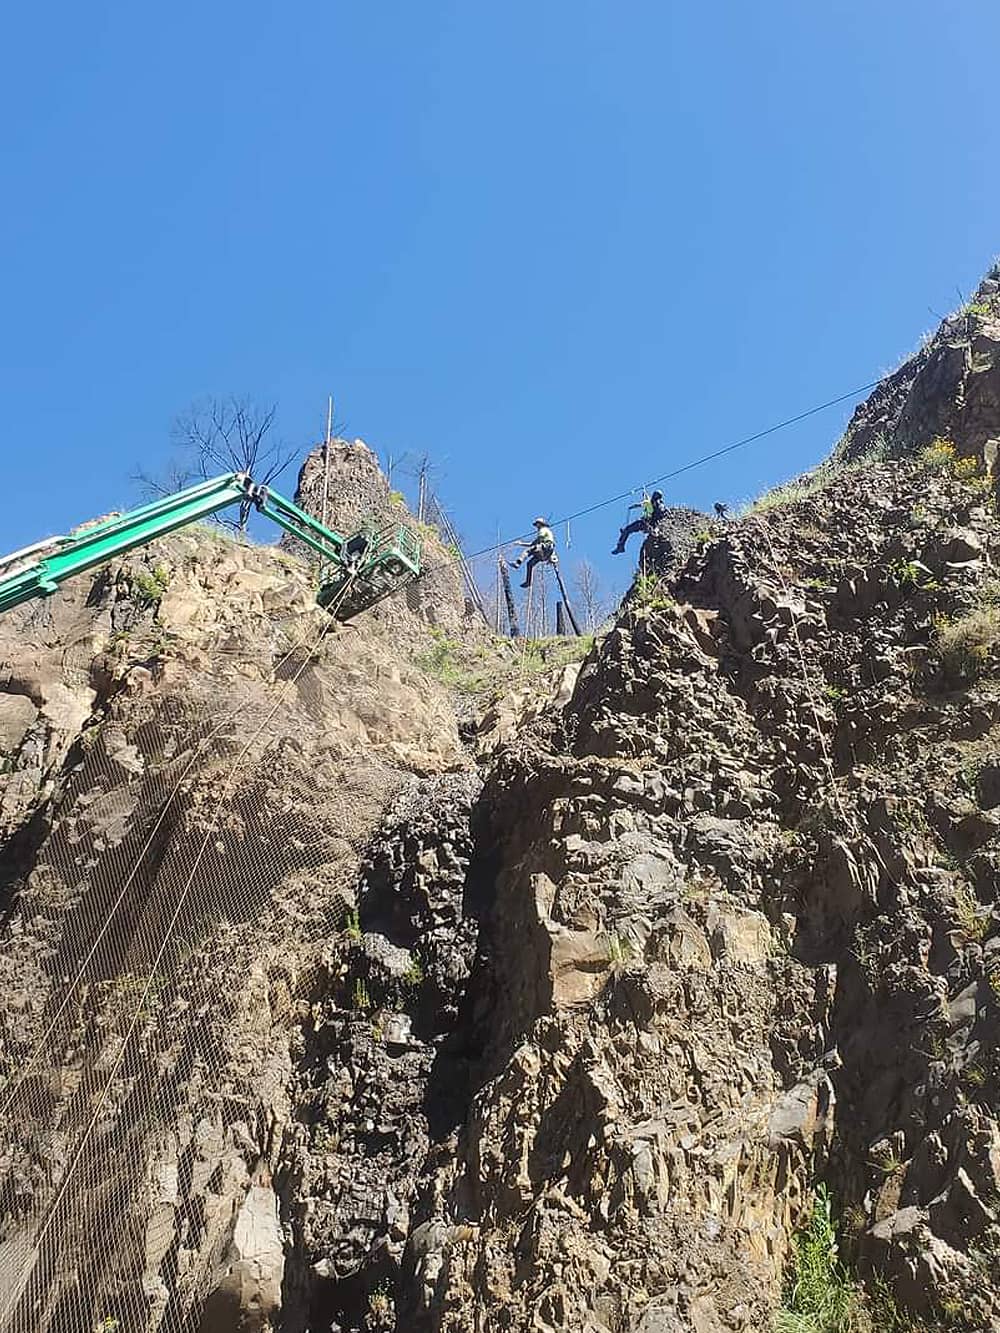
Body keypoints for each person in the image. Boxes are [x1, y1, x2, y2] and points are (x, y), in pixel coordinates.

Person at [612, 490, 667, 554]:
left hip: (645, 523)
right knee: (627, 530)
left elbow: (641, 504)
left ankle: (620, 547)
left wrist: (631, 507)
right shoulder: (658, 504)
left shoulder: (650, 503)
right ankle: (621, 545)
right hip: (650, 524)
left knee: (627, 530)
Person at [511, 518, 556, 588]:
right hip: (545, 554)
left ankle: (517, 563)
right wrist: (520, 543)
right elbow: (532, 543)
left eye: (537, 524)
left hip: (545, 548)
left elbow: (538, 539)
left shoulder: (543, 529)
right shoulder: (545, 531)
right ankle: (528, 582)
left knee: (528, 551)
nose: (536, 526)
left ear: (540, 524)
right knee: (529, 564)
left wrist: (535, 544)